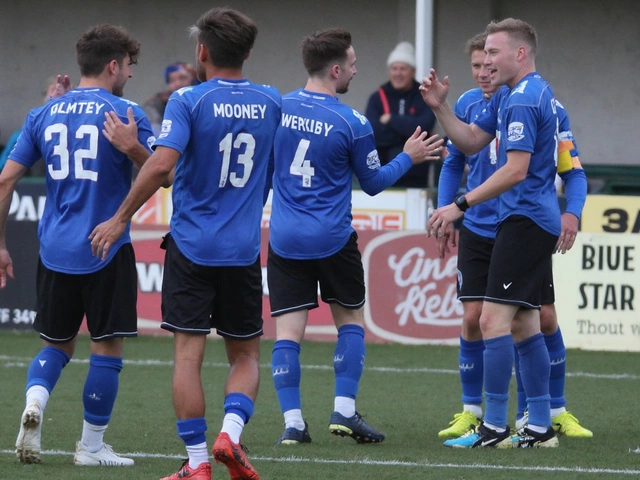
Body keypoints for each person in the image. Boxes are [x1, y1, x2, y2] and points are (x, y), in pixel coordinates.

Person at [89, 7, 281, 480]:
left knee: (187, 357)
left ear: (202, 52)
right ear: (248, 52)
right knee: (246, 355)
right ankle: (230, 436)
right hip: (240, 251)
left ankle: (197, 465)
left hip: (192, 247)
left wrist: (118, 219)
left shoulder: (188, 100)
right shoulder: (272, 100)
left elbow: (161, 168)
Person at [268, 28, 443, 446]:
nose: (356, 69)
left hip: (285, 238)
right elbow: (375, 181)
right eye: (351, 62)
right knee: (350, 323)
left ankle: (293, 424)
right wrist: (410, 156)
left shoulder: (277, 107)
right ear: (334, 69)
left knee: (288, 334)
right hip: (332, 238)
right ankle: (344, 411)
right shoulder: (352, 121)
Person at [0, 24, 155, 466]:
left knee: (55, 345)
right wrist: (135, 150)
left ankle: (35, 405)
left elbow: (6, 179)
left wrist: (0, 244)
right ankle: (90, 447)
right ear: (112, 65)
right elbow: (163, 174)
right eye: (127, 66)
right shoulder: (127, 115)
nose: (129, 74)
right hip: (106, 247)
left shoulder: (43, 112)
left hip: (54, 249)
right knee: (106, 348)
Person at [435, 32, 592, 443]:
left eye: (492, 53)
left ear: (518, 54)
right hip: (516, 222)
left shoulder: (524, 98)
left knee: (495, 320)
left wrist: (459, 205)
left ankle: (495, 425)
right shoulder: (510, 97)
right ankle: (539, 426)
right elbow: (468, 142)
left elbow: (519, 170)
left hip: (525, 221)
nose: (486, 62)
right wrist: (439, 106)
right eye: (481, 56)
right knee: (524, 324)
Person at [365, 41, 437, 188]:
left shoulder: (424, 95)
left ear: (413, 72)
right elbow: (372, 133)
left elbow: (425, 126)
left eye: (403, 69)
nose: (398, 73)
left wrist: (391, 120)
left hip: (416, 176)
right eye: (394, 68)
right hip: (384, 176)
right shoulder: (377, 98)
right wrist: (406, 133)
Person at [143, 61, 197, 135]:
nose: (178, 84)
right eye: (172, 80)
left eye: (182, 78)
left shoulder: (203, 101)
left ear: (192, 79)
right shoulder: (158, 104)